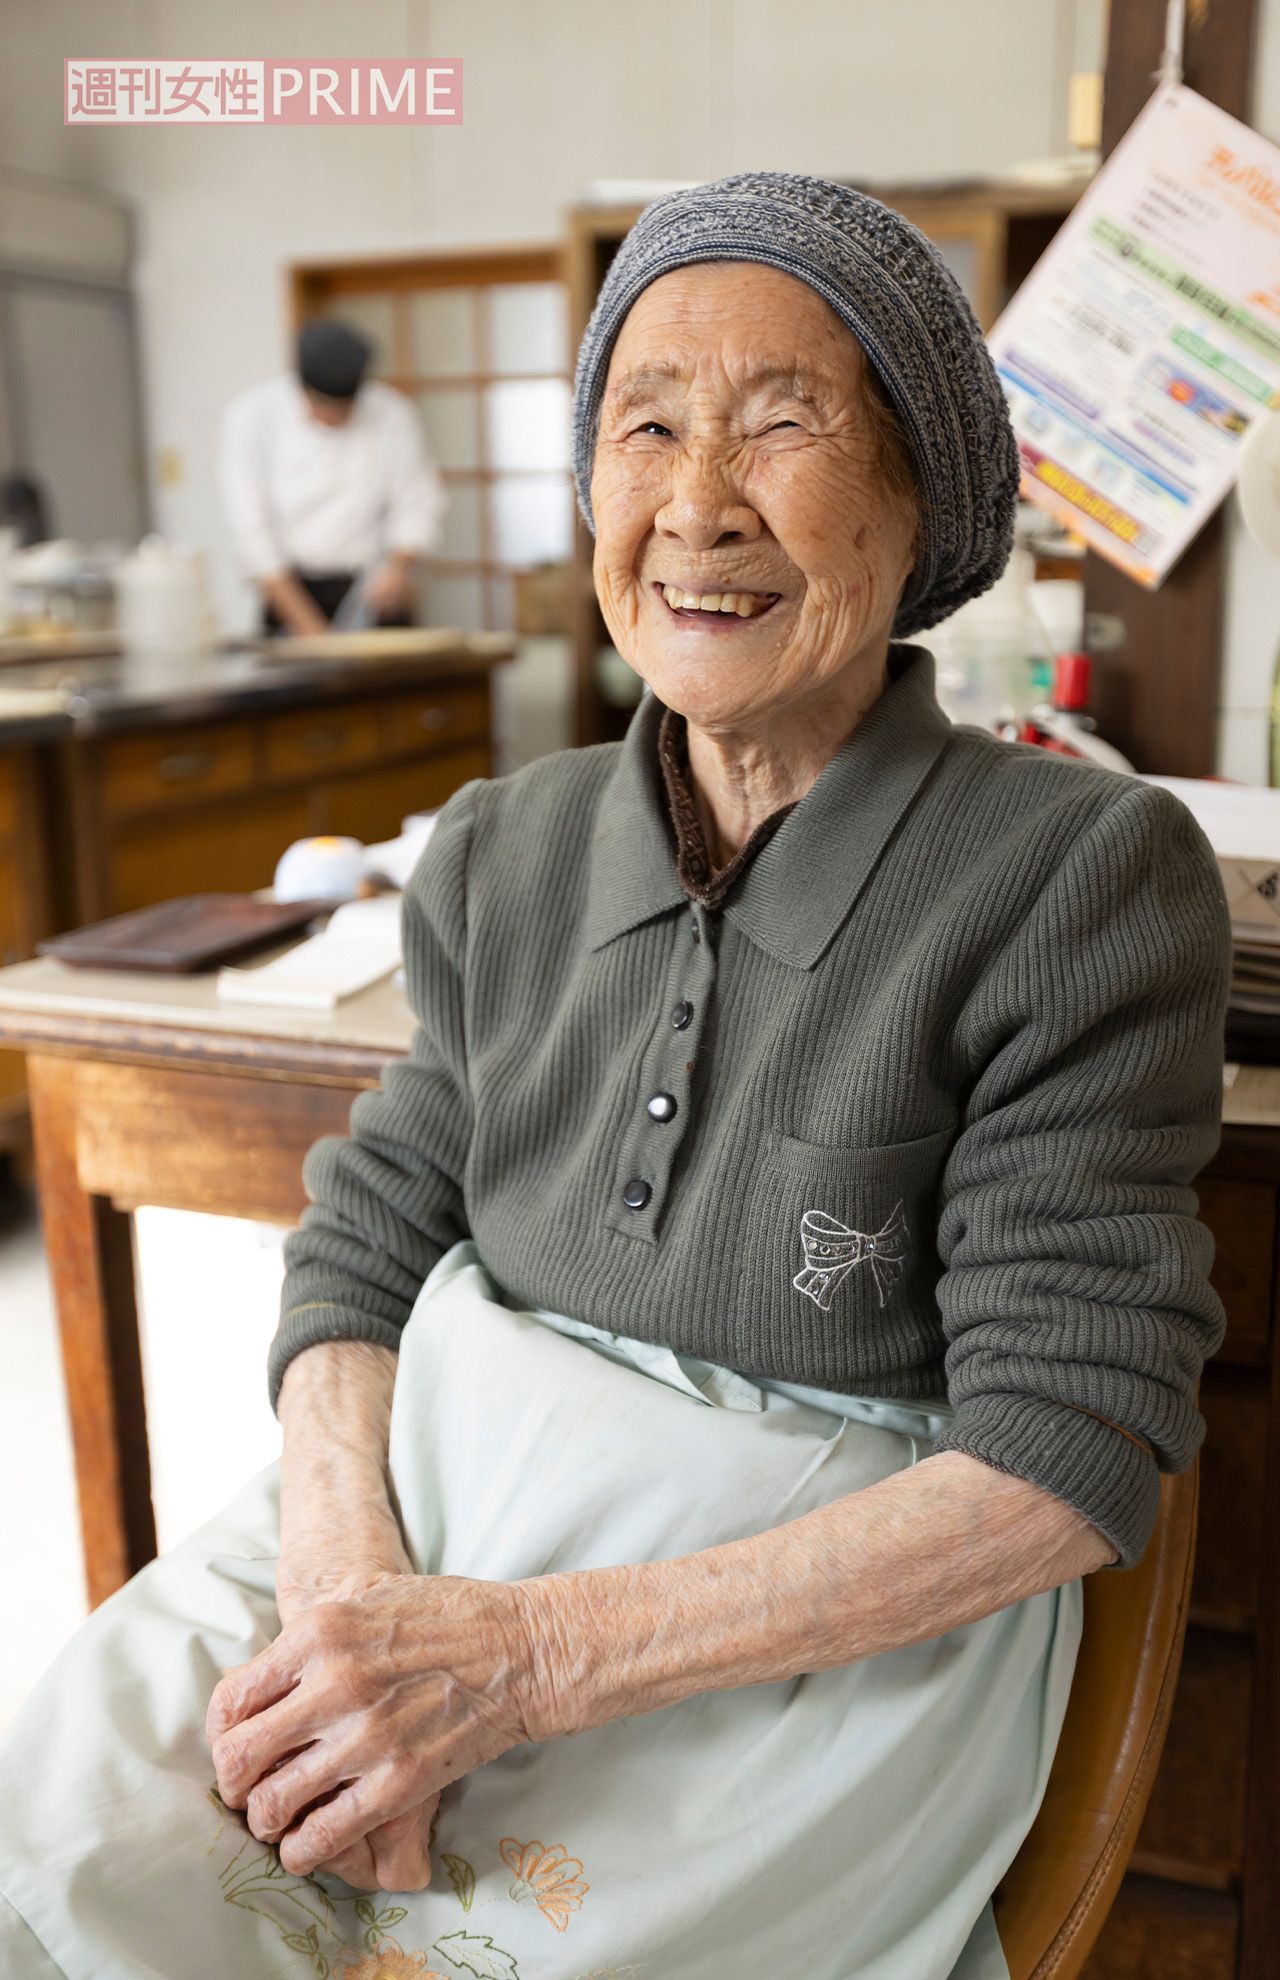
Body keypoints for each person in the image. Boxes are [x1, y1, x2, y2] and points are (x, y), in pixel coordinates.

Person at [0, 173, 1231, 1980]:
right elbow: (367, 1242)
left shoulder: (1083, 873)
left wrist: (515, 1662)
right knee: (69, 1844)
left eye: (783, 426)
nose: (696, 505)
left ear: (923, 511)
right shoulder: (506, 845)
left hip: (778, 1647)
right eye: (644, 426)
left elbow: (1068, 1445)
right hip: (413, 1522)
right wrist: (358, 1603)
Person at [218, 318, 445, 637]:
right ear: (302, 388)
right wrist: (312, 631)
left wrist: (397, 568)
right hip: (290, 590)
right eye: (323, 406)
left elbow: (417, 501)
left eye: (344, 408)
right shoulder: (253, 415)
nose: (333, 417)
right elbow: (251, 526)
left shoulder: (392, 414)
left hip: (372, 589)